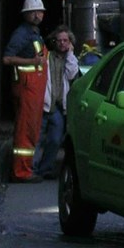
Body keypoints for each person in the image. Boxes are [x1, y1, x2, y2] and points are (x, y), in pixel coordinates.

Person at [2, 0, 50, 183]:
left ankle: (26, 168)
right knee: (25, 130)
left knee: (31, 130)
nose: (37, 15)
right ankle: (21, 171)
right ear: (26, 14)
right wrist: (32, 61)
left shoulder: (34, 32)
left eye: (39, 12)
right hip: (27, 87)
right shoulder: (22, 34)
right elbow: (7, 58)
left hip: (34, 88)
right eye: (33, 12)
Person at [33, 26, 79, 179]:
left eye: (65, 40)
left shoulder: (70, 59)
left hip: (58, 108)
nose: (62, 43)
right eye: (59, 40)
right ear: (54, 42)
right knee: (36, 139)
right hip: (43, 104)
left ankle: (44, 169)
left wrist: (71, 53)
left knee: (54, 140)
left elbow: (72, 74)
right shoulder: (47, 56)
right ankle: (32, 169)